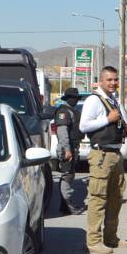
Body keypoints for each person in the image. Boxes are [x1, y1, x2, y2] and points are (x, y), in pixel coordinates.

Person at [79, 66, 127, 254]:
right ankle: (93, 241)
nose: (113, 83)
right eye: (109, 80)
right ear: (100, 81)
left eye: (115, 79)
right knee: (98, 198)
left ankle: (111, 237)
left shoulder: (113, 100)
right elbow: (84, 126)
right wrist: (108, 120)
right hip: (101, 154)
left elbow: (123, 119)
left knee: (116, 197)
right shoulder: (93, 100)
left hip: (115, 153)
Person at [53, 87, 86, 216]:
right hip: (66, 147)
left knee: (69, 175)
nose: (75, 100)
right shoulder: (64, 112)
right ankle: (69, 206)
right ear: (68, 99)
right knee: (67, 175)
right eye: (73, 98)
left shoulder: (72, 111)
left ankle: (64, 206)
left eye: (76, 98)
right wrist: (67, 149)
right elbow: (62, 132)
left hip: (72, 147)